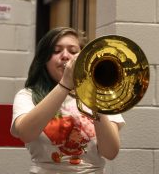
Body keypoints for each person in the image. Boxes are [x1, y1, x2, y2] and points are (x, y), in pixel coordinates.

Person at [11, 27, 125, 174]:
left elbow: (110, 152)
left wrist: (94, 97)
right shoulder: (27, 95)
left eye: (72, 51)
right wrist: (65, 84)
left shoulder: (101, 95)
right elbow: (25, 134)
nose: (65, 56)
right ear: (44, 59)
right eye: (56, 51)